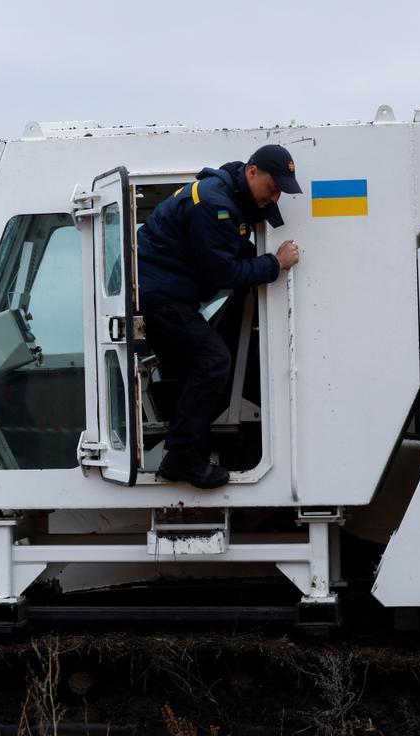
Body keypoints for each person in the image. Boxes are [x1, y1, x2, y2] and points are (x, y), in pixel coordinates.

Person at [138, 144, 303, 489]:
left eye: (280, 193)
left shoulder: (231, 195)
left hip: (170, 295)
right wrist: (276, 263)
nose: (275, 197)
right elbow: (223, 274)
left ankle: (187, 452)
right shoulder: (215, 204)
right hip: (163, 297)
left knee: (196, 367)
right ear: (252, 172)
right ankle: (182, 457)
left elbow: (240, 236)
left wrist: (265, 211)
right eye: (273, 188)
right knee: (213, 360)